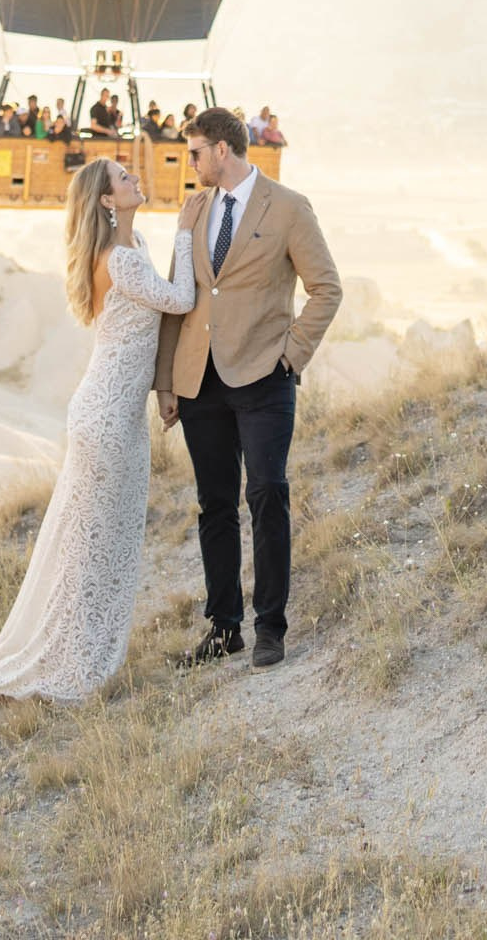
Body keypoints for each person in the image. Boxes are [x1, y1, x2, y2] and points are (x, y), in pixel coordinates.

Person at [0, 160, 194, 702]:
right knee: (93, 544)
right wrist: (188, 235)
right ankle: (76, 660)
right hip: (106, 415)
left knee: (100, 539)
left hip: (112, 410)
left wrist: (162, 388)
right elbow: (180, 301)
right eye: (122, 177)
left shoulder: (133, 249)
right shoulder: (123, 261)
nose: (135, 177)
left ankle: (81, 650)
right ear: (108, 201)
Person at [154, 106, 341, 672]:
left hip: (264, 378)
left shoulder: (288, 207)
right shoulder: (195, 211)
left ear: (222, 151)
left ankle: (270, 627)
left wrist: (290, 355)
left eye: (194, 153)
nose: (190, 164)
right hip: (199, 383)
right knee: (214, 505)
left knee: (266, 495)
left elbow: (326, 289)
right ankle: (224, 627)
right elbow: (176, 298)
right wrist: (165, 381)